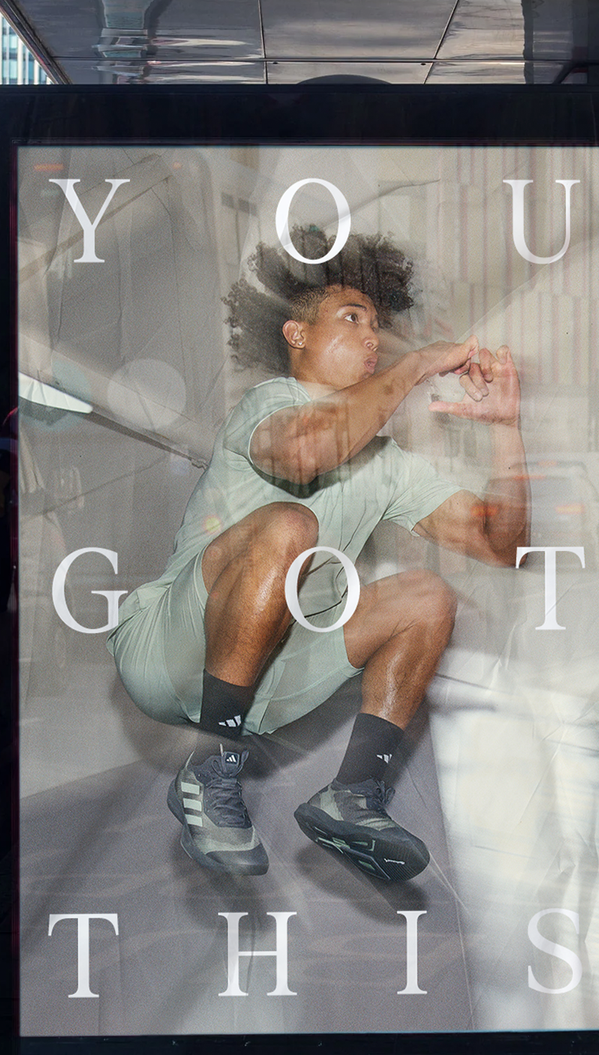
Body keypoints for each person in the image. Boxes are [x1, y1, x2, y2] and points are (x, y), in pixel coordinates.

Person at [107, 229, 528, 882]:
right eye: (350, 318)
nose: (370, 338)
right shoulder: (268, 406)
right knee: (288, 525)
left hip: (277, 678)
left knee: (426, 598)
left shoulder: (388, 466)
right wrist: (417, 365)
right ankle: (211, 768)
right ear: (295, 335)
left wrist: (506, 432)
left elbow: (501, 544)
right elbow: (309, 453)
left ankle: (355, 797)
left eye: (376, 326)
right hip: (174, 651)